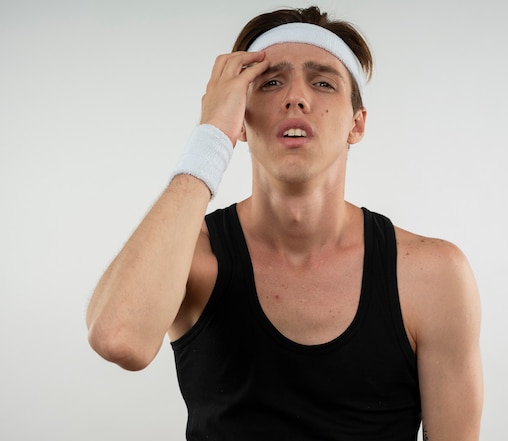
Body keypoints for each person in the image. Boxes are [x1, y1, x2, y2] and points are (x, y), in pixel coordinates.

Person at [86, 5, 483, 440]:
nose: (296, 97)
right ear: (241, 117)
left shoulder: (431, 275)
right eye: (271, 82)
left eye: (323, 82)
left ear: (357, 125)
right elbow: (118, 337)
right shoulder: (196, 256)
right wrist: (210, 137)